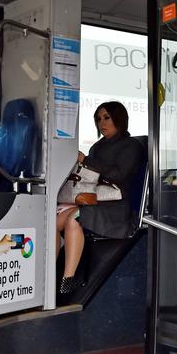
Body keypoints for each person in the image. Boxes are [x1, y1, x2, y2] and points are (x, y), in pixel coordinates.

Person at [56, 101, 143, 294]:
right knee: (52, 222)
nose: (101, 123)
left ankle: (67, 279)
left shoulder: (130, 146)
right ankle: (49, 273)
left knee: (74, 218)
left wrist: (86, 161)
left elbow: (119, 175)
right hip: (95, 200)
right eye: (98, 119)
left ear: (118, 118)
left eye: (106, 117)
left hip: (116, 206)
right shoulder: (97, 147)